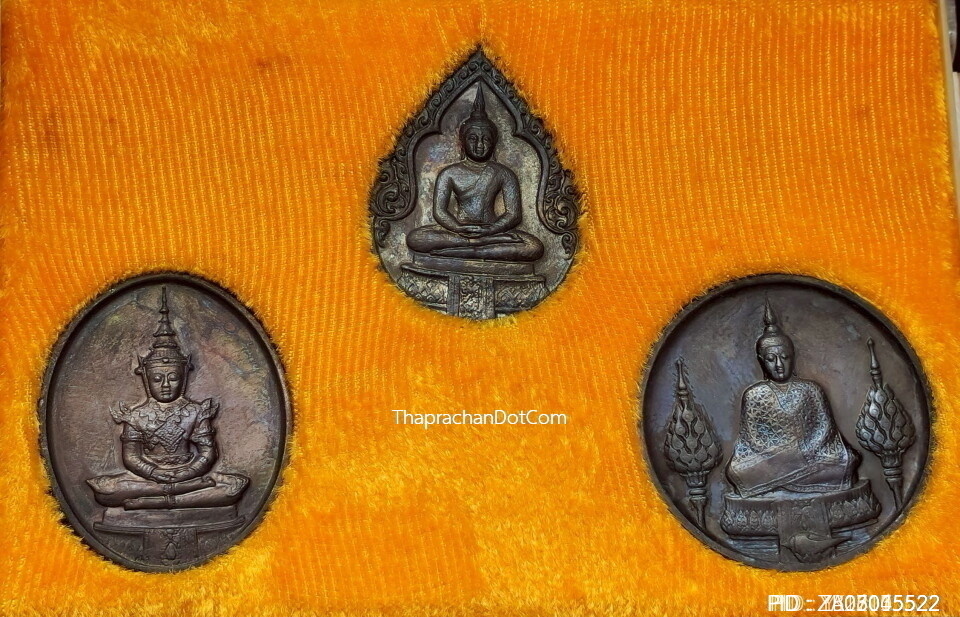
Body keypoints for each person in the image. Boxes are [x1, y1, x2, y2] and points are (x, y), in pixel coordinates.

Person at [87, 288, 248, 510]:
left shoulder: (196, 411)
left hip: (190, 475)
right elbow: (131, 458)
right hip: (149, 479)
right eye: (157, 378)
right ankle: (178, 496)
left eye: (173, 378)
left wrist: (187, 473)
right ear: (146, 379)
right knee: (109, 489)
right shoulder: (136, 415)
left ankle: (153, 500)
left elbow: (208, 454)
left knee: (232, 486)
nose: (165, 385)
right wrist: (154, 472)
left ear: (183, 378)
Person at [726, 300, 859, 498]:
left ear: (793, 357)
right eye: (771, 359)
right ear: (762, 361)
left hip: (810, 454)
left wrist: (804, 450)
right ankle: (792, 478)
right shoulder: (754, 395)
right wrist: (783, 453)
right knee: (738, 470)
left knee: (846, 459)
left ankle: (781, 482)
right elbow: (752, 438)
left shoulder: (811, 389)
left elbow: (825, 428)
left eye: (785, 357)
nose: (779, 365)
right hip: (773, 459)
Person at [406, 85, 544, 262]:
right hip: (459, 231)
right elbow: (440, 211)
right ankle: (480, 247)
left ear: (493, 143)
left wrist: (490, 229)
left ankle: (473, 250)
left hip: (492, 230)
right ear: (462, 143)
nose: (479, 145)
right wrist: (458, 228)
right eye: (473, 138)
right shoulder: (449, 173)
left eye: (486, 139)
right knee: (416, 238)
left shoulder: (504, 173)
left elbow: (513, 214)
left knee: (534, 247)